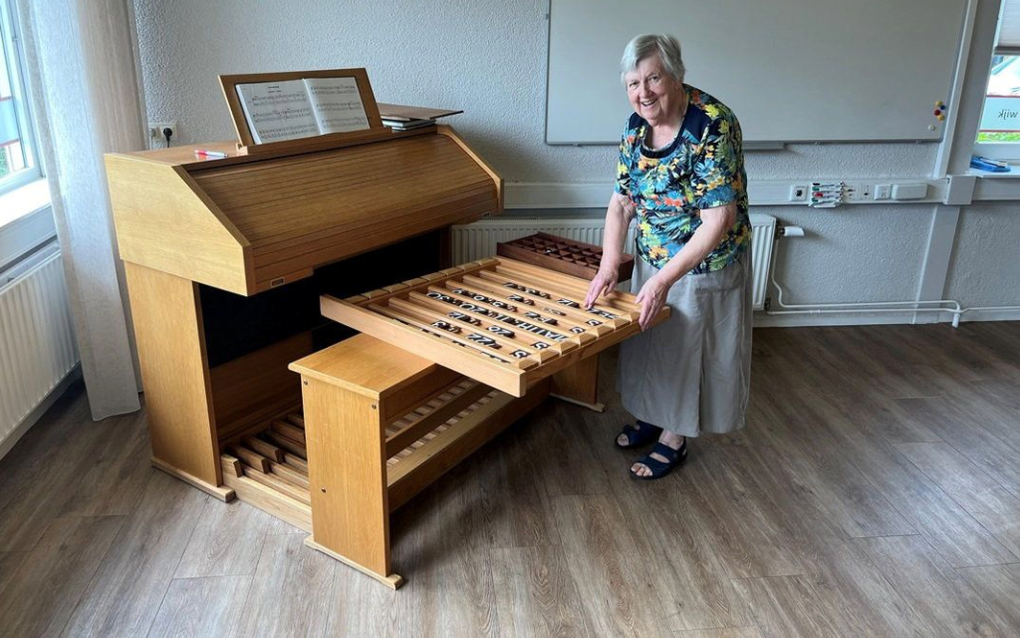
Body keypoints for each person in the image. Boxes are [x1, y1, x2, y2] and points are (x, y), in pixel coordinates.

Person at [584, 34, 753, 480]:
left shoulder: (712, 124)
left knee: (687, 350)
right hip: (654, 253)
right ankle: (653, 416)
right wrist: (609, 264)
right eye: (633, 83)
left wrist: (665, 280)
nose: (644, 93)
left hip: (703, 261)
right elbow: (622, 203)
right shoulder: (635, 127)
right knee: (650, 342)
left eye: (653, 78)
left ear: (675, 75)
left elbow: (718, 218)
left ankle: (674, 437)